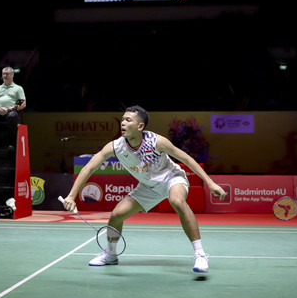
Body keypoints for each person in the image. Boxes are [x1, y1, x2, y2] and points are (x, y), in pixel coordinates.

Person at [61, 105, 226, 273]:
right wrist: (71, 196)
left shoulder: (157, 141)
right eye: (122, 119)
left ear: (140, 126)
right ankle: (111, 254)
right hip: (148, 187)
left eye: (128, 120)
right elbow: (89, 168)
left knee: (177, 201)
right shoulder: (115, 147)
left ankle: (200, 254)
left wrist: (210, 183)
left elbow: (187, 159)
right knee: (117, 215)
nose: (123, 123)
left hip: (172, 178)